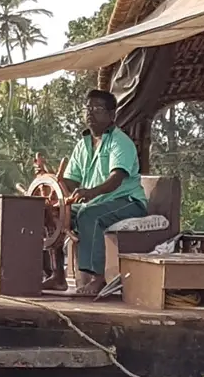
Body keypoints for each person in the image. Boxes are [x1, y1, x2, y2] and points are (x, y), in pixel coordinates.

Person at [59, 89, 147, 293]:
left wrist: (90, 192)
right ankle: (55, 274)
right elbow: (71, 181)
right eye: (87, 108)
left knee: (89, 215)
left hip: (128, 202)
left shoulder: (120, 142)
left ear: (111, 115)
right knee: (51, 214)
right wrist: (51, 180)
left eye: (97, 108)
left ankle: (98, 279)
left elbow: (116, 179)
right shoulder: (83, 144)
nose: (90, 112)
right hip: (96, 202)